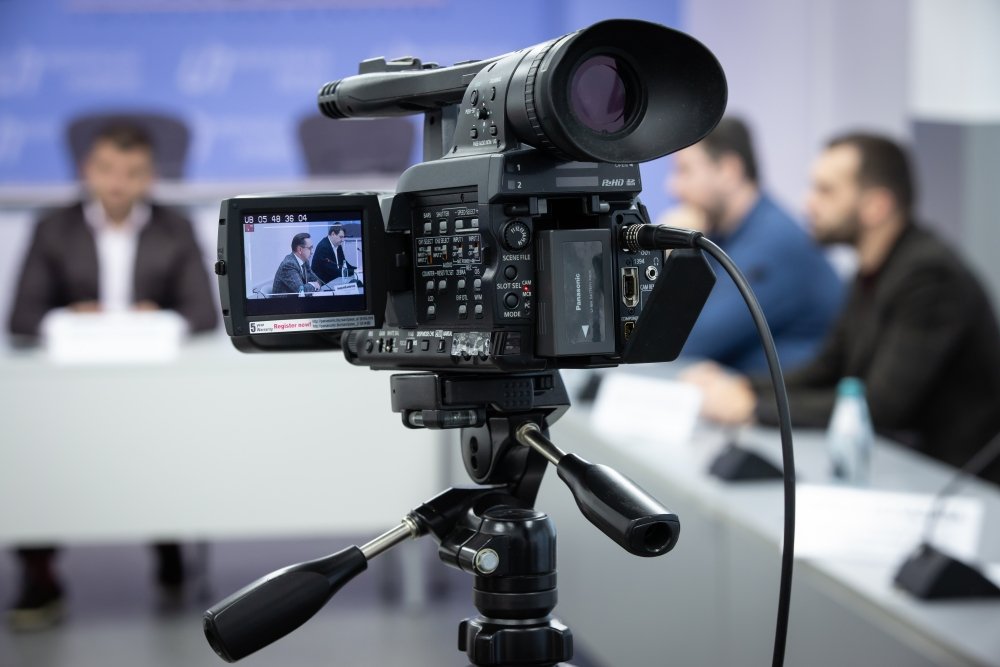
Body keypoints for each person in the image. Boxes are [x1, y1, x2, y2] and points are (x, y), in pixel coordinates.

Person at [684, 132, 1000, 482]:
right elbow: (826, 368)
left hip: (956, 483)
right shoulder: (872, 270)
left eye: (826, 191)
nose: (808, 204)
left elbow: (878, 408)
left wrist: (754, 409)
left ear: (876, 206)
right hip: (900, 467)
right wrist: (745, 387)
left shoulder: (931, 279)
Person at [6, 121, 218, 629]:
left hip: (153, 394)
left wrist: (152, 318)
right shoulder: (52, 228)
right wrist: (76, 319)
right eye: (107, 170)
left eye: (132, 172)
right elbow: (21, 319)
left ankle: (169, 549)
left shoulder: (176, 227)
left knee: (168, 441)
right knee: (30, 453)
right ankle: (40, 576)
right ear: (87, 171)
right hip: (69, 397)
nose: (118, 182)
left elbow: (204, 313)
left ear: (150, 177)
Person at [665, 117, 844, 373]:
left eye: (684, 171)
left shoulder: (773, 242)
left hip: (789, 406)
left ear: (729, 171)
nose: (673, 187)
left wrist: (672, 253)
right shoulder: (724, 235)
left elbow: (684, 344)